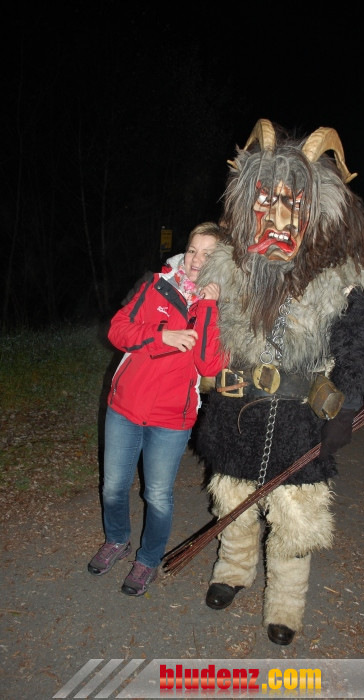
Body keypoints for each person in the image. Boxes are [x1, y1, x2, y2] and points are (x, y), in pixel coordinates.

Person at [194, 120, 364, 644]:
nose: (278, 220)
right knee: (232, 499)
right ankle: (232, 572)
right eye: (266, 202)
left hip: (299, 420)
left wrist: (347, 408)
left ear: (317, 213)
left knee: (295, 515)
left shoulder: (339, 279)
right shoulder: (227, 267)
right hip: (237, 413)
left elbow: (358, 345)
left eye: (294, 206)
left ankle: (285, 604)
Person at [88, 222, 225, 596]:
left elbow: (209, 364)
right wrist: (161, 336)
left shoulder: (227, 307)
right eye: (193, 250)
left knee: (158, 496)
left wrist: (209, 306)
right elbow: (117, 330)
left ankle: (147, 560)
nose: (196, 260)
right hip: (124, 406)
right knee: (113, 487)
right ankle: (117, 540)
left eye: (208, 254)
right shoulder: (154, 284)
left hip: (171, 418)